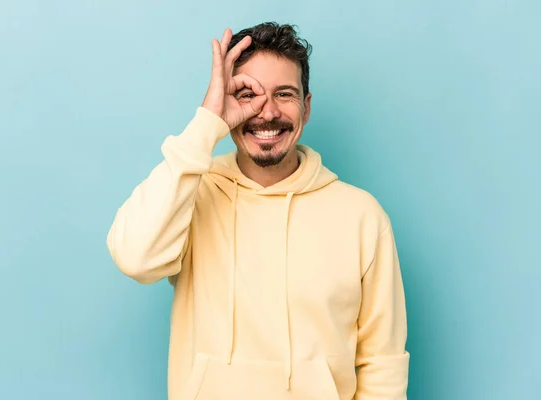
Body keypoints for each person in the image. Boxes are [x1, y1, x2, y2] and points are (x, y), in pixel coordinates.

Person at [106, 22, 409, 400]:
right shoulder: (191, 193)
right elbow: (135, 258)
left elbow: (383, 363)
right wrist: (207, 123)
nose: (267, 112)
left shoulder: (362, 216)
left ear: (306, 106)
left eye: (284, 94)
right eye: (248, 94)